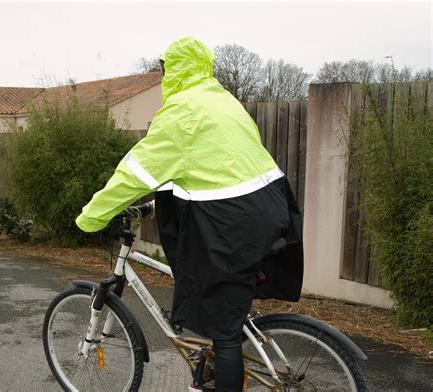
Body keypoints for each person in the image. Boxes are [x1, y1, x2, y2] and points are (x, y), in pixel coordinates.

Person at [76, 37, 303, 392]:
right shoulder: (225, 102)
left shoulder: (181, 113)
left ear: (171, 71)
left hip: (233, 223)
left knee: (224, 333)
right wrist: (156, 204)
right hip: (272, 206)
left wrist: (90, 218)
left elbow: (134, 174)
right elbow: (210, 167)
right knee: (221, 300)